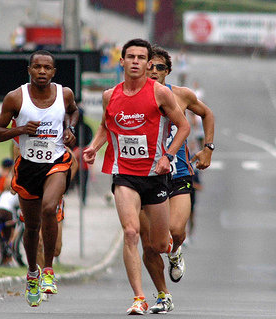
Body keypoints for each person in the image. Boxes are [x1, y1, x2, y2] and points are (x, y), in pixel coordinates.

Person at [82, 39, 190, 315]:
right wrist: (94, 147)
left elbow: (184, 126)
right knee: (131, 232)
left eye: (141, 58)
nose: (135, 62)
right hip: (125, 174)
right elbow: (107, 127)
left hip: (155, 176)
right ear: (122, 61)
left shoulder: (160, 94)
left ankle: (172, 259)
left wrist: (168, 156)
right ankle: (139, 297)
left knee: (158, 245)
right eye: (130, 56)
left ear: (147, 63)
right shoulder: (110, 96)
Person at [0, 50, 79, 307]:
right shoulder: (15, 98)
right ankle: (32, 273)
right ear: (29, 69)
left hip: (57, 162)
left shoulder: (64, 94)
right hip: (28, 166)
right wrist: (19, 129)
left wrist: (70, 129)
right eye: (37, 67)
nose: (42, 71)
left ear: (54, 72)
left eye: (47, 68)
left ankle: (48, 270)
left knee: (50, 208)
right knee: (31, 227)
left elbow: (74, 112)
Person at [140, 46, 215, 313]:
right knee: (148, 244)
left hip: (177, 173)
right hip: (143, 176)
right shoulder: (130, 96)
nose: (154, 71)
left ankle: (175, 251)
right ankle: (163, 295)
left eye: (160, 67)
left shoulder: (181, 95)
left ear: (168, 72)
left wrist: (208, 148)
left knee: (175, 231)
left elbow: (207, 114)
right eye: (150, 66)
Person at [0, 189, 20, 266]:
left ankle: (0, 255)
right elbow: (20, 206)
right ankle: (7, 256)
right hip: (6, 212)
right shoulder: (17, 195)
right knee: (9, 233)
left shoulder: (4, 193)